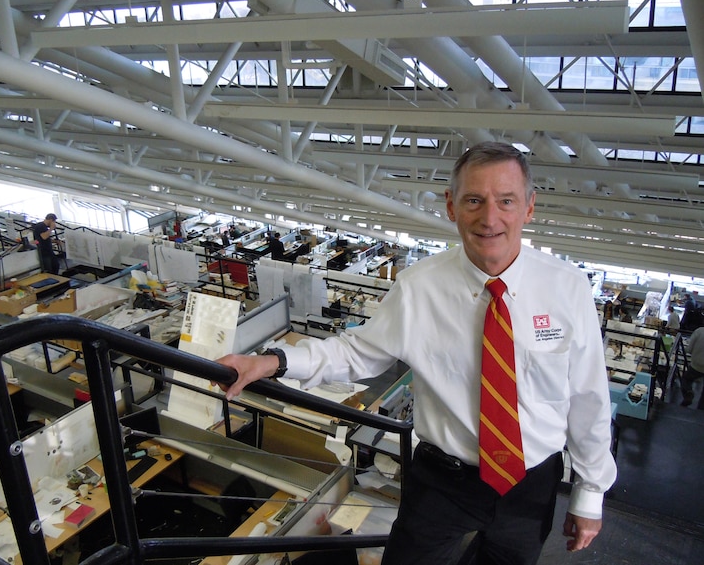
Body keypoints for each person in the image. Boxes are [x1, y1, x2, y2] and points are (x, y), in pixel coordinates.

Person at [218, 142, 616, 565]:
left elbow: (588, 396)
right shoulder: (419, 287)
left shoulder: (567, 287)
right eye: (474, 201)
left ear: (530, 207)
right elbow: (358, 353)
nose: (490, 218)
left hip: (531, 484)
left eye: (506, 201)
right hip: (444, 481)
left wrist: (590, 494)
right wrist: (273, 361)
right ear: (451, 206)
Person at [680, 325, 704, 409]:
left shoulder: (699, 331)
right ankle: (700, 410)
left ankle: (688, 394)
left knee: (686, 379)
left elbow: (689, 350)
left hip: (696, 366)